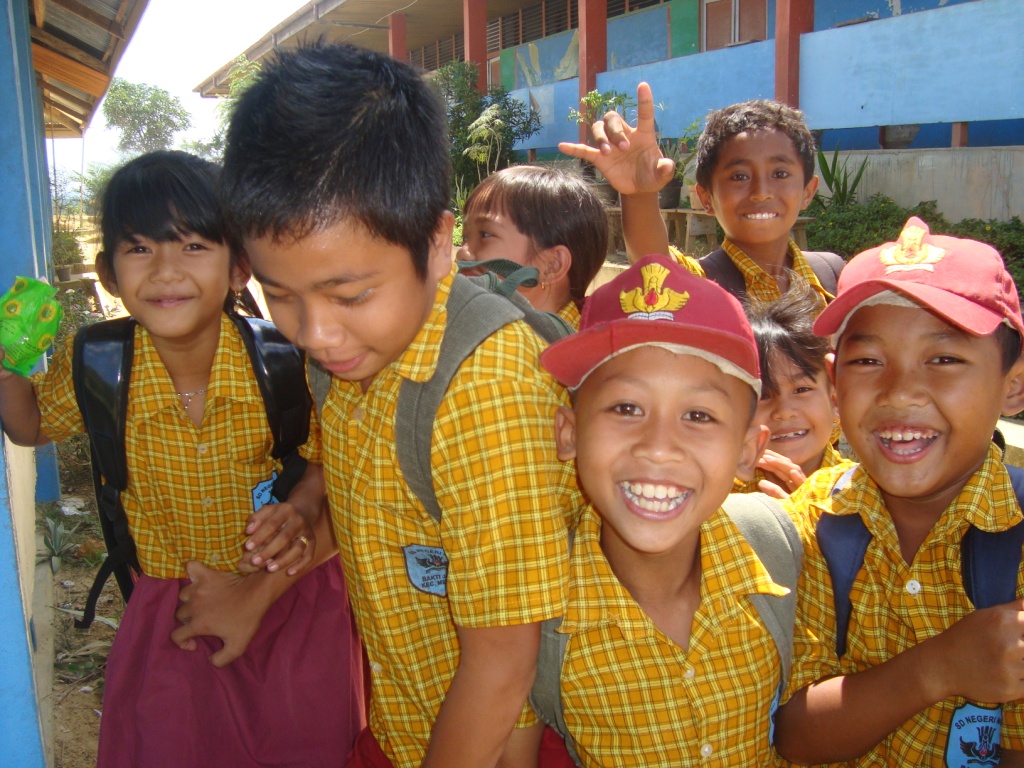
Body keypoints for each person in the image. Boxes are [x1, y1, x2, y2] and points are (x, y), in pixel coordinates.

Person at [220, 44, 578, 768]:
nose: (314, 334)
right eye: (278, 294)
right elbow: (362, 492)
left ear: (440, 243)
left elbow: (504, 665)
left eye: (351, 295)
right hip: (405, 721)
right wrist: (291, 542)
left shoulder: (485, 390)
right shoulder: (347, 355)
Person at [0, 151, 364, 767]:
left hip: (293, 603)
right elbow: (32, 425)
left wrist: (299, 510)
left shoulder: (285, 363)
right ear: (108, 273)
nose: (166, 271)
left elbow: (334, 461)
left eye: (194, 246)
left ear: (238, 268)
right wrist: (8, 364)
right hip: (170, 611)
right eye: (139, 249)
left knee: (305, 745)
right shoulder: (98, 363)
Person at [532, 252, 819, 766]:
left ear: (748, 451)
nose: (659, 447)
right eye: (626, 408)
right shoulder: (532, 616)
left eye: (699, 415)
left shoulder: (781, 548)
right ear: (568, 432)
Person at [774, 217, 1024, 766]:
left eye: (944, 359)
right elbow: (793, 736)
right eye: (868, 361)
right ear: (835, 384)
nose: (901, 390)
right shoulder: (807, 520)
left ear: (1013, 384)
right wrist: (941, 667)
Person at [561, 83, 841, 302]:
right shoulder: (701, 284)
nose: (761, 192)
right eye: (739, 176)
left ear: (808, 191)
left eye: (780, 174)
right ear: (705, 198)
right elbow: (654, 263)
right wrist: (639, 194)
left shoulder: (833, 277)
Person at [736, 280, 850, 497]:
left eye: (802, 390)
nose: (784, 412)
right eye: (763, 395)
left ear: (834, 398)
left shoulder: (861, 493)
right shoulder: (719, 497)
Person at [457, 164, 608, 329]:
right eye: (465, 238)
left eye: (485, 234)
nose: (462, 254)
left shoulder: (593, 352)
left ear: (552, 265)